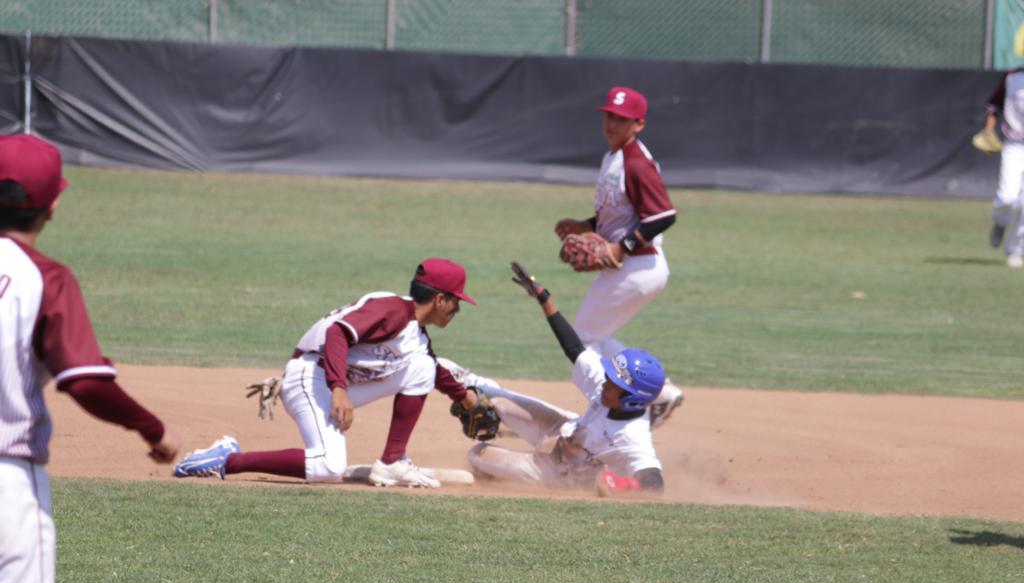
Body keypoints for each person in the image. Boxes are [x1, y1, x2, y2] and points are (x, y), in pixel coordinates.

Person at [0, 134, 180, 583]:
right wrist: (152, 429)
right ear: (54, 204)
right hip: (6, 482)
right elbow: (86, 384)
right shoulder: (44, 279)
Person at [174, 258, 480, 488]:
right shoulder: (393, 309)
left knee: (424, 366)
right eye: (456, 301)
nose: (457, 309)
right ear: (440, 299)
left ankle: (393, 461)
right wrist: (338, 389)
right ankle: (227, 458)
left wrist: (466, 400)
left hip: (332, 381)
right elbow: (337, 333)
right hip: (310, 376)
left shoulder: (416, 335)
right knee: (328, 467)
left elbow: (433, 371)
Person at [439, 262, 667, 497]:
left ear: (631, 400)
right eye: (610, 376)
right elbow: (573, 348)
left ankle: (496, 473)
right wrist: (543, 297)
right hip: (563, 428)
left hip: (559, 473)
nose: (606, 383)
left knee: (477, 454)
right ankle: (472, 381)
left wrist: (624, 485)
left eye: (615, 384)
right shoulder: (605, 386)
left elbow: (655, 484)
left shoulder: (632, 436)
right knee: (492, 400)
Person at [554, 85, 684, 426]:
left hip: (639, 265)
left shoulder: (638, 163)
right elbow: (621, 213)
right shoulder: (614, 157)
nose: (612, 124)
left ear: (638, 124)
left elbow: (663, 215)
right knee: (591, 336)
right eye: (610, 116)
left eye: (622, 119)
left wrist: (619, 247)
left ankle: (610, 415)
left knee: (582, 341)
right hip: (630, 266)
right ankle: (658, 392)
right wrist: (585, 225)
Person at [983, 68, 1024, 268]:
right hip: (1015, 146)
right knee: (1008, 197)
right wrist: (988, 132)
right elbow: (995, 105)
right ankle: (1000, 222)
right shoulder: (1011, 77)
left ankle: (1015, 250)